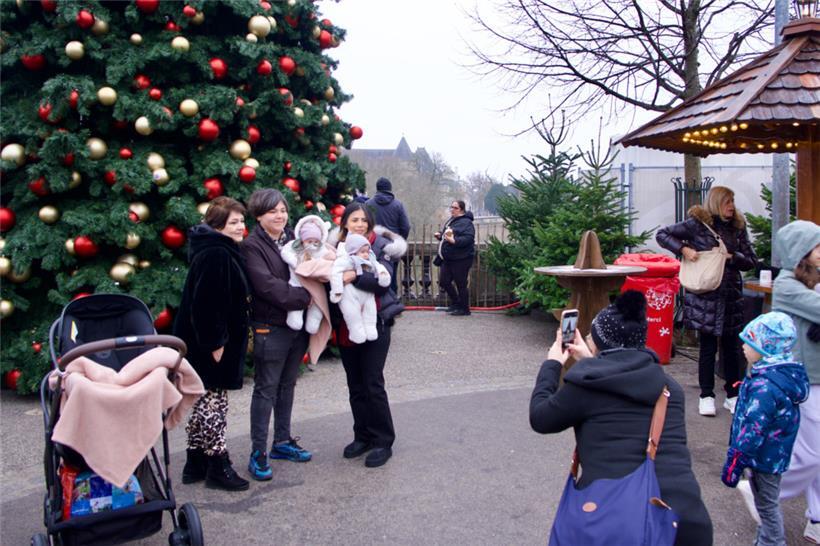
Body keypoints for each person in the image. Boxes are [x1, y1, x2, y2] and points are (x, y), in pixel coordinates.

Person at [530, 291, 713, 545]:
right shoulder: (669, 388)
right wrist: (591, 359)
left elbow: (540, 417)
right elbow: (622, 375)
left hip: (625, 522)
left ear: (599, 345)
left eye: (591, 338)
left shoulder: (586, 388)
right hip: (685, 522)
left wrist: (552, 363)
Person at [656, 186, 757, 416]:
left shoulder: (738, 227)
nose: (731, 206)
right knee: (707, 348)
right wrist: (683, 249)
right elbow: (662, 235)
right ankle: (706, 395)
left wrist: (732, 257)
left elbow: (751, 260)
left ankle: (732, 394)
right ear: (716, 202)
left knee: (732, 349)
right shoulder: (697, 224)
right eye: (727, 201)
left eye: (732, 201)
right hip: (705, 296)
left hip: (730, 295)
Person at [174, 197, 251, 492]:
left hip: (207, 341)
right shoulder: (217, 253)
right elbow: (206, 302)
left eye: (242, 221)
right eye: (234, 222)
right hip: (212, 343)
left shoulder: (217, 249)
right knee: (214, 404)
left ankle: (195, 462)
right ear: (217, 226)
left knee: (204, 400)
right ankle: (218, 465)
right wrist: (215, 343)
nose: (240, 227)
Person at [327, 202, 406, 467]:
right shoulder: (335, 248)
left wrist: (353, 276)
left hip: (377, 322)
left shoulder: (381, 246)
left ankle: (383, 440)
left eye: (363, 220)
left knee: (373, 382)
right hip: (346, 325)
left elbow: (383, 283)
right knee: (355, 385)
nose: (359, 224)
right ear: (345, 223)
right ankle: (362, 435)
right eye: (354, 220)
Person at [721, 312, 810, 546]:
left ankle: (773, 541)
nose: (743, 346)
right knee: (765, 502)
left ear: (767, 347)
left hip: (762, 457)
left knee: (767, 506)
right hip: (773, 454)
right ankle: (765, 539)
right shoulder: (779, 376)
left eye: (749, 342)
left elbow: (753, 428)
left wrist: (735, 461)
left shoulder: (765, 387)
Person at [242, 189, 313, 481]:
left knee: (287, 385)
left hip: (296, 326)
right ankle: (258, 451)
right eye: (273, 211)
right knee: (266, 388)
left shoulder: (291, 239)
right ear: (259, 215)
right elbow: (266, 285)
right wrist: (305, 298)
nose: (280, 216)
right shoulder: (252, 246)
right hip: (270, 326)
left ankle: (282, 441)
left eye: (283, 210)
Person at [772, 220, 820, 543]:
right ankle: (766, 493)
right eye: (817, 246)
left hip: (816, 376)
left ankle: (817, 518)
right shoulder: (786, 285)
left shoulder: (810, 279)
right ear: (800, 251)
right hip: (804, 379)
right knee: (812, 453)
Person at [330, 233, 391, 344]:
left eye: (367, 251)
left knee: (370, 311)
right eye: (362, 252)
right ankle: (356, 332)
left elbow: (380, 267)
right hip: (351, 294)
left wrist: (383, 275)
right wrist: (337, 291)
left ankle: (370, 328)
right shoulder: (347, 261)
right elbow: (336, 273)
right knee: (352, 314)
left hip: (367, 294)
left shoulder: (371, 260)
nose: (366, 255)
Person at [281, 215, 332, 333]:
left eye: (316, 242)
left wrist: (326, 259)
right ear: (302, 240)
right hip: (297, 283)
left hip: (315, 285)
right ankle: (294, 319)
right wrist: (296, 263)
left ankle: (313, 325)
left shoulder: (320, 250)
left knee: (317, 305)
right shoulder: (294, 247)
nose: (313, 244)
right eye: (309, 241)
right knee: (296, 307)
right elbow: (285, 252)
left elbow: (328, 258)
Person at [366, 177, 411, 292]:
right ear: (390, 189)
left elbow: (365, 226)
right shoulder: (398, 205)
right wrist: (400, 240)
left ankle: (377, 301)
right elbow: (406, 226)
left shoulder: (368, 204)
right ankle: (392, 300)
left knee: (374, 275)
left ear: (377, 189)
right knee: (392, 276)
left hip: (373, 245)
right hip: (392, 246)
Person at [435, 200, 475, 316]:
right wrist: (440, 235)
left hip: (462, 258)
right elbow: (448, 234)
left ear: (461, 210)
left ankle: (465, 309)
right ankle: (456, 303)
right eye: (451, 207)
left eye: (455, 208)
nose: (452, 209)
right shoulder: (453, 220)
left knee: (461, 284)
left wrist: (454, 241)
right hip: (449, 258)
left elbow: (468, 239)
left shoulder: (467, 222)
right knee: (444, 281)